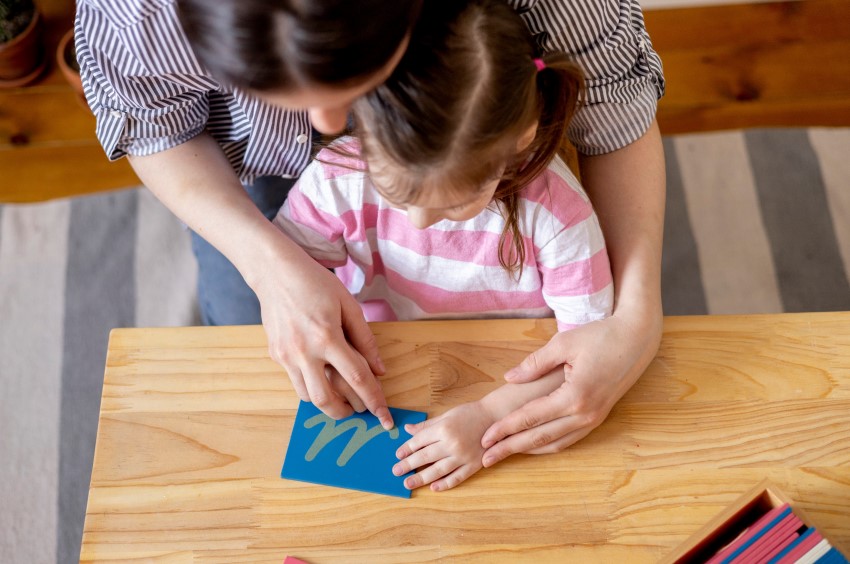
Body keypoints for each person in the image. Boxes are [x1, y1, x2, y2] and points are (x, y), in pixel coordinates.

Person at [75, 0, 665, 459]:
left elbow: (619, 116)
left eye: (352, 85)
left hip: (442, 151)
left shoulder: (550, 215)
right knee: (248, 340)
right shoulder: (340, 177)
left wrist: (638, 318)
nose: (334, 127)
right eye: (274, 88)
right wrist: (267, 267)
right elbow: (153, 127)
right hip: (273, 182)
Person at [273, 0, 613, 490]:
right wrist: (323, 347)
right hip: (388, 367)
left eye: (455, 203)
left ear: (520, 140)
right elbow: (291, 283)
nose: (419, 221)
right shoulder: (335, 177)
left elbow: (588, 349)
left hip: (512, 384)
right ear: (361, 128)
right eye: (396, 192)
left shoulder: (559, 216)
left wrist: (489, 417)